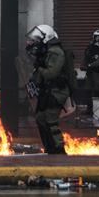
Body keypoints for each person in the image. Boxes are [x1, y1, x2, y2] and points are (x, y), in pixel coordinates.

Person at [25, 24, 70, 155]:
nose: (35, 43)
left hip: (57, 91)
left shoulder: (56, 52)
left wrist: (39, 67)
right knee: (40, 117)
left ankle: (59, 150)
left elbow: (51, 73)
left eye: (38, 40)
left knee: (50, 119)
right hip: (48, 90)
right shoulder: (47, 51)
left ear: (46, 38)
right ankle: (50, 147)